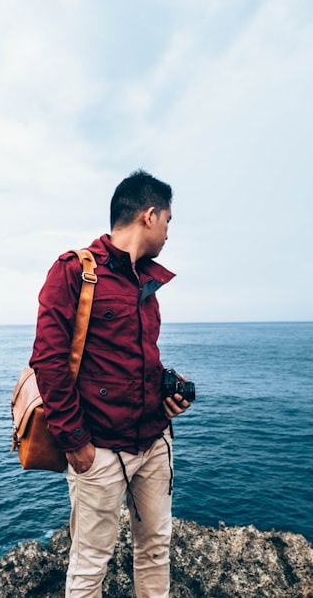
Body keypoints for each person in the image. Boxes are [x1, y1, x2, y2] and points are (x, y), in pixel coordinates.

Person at [30, 169, 191, 598]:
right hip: (98, 449)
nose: (169, 233)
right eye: (169, 221)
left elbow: (133, 361)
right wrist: (75, 441)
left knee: (156, 548)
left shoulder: (147, 284)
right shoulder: (73, 271)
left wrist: (167, 391)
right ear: (150, 215)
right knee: (89, 566)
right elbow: (47, 362)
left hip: (153, 442)